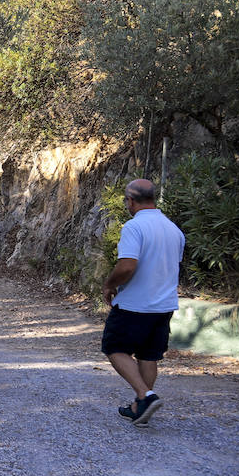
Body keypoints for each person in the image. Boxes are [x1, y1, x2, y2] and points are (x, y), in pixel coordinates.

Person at [101, 178, 184, 427]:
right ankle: (141, 406)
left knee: (114, 348)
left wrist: (109, 284)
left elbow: (128, 265)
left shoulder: (134, 227)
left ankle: (146, 395)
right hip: (164, 305)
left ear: (131, 200)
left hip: (135, 304)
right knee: (148, 356)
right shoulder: (174, 229)